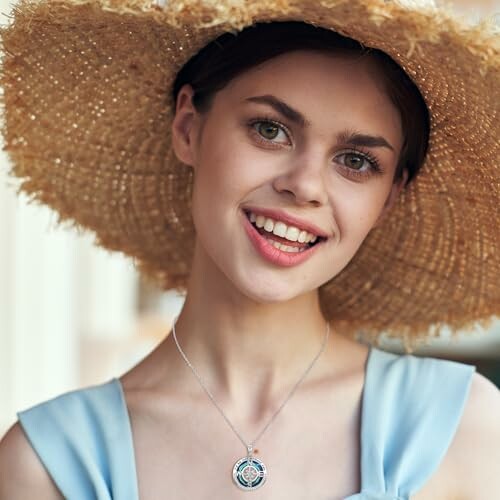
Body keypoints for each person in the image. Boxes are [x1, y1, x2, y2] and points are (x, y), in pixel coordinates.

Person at [0, 0, 499, 499]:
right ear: (188, 129)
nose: (305, 185)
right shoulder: (49, 464)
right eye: (270, 130)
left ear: (390, 195)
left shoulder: (463, 429)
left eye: (355, 160)